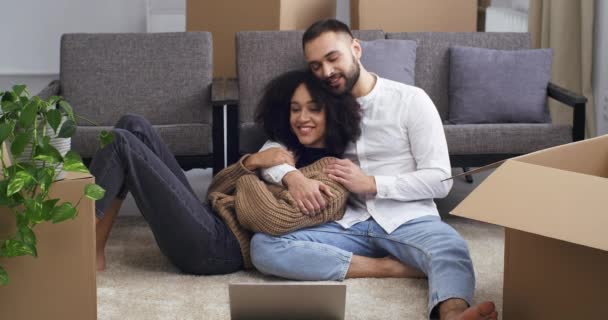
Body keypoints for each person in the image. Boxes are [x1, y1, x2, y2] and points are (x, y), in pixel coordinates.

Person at [249, 19, 498, 320]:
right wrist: (292, 176)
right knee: (264, 246)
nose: (326, 72)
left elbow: (441, 180)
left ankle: (453, 313)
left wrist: (373, 183)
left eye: (333, 58)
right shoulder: (322, 105)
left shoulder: (411, 100)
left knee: (451, 247)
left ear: (356, 48)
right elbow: (273, 149)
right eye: (316, 66)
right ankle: (387, 267)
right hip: (347, 223)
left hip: (409, 218)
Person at [93, 69, 421, 275]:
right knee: (132, 124)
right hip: (206, 220)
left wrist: (260, 171)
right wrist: (254, 163)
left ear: (331, 115)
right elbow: (215, 189)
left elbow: (269, 220)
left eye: (313, 109)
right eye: (295, 109)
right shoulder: (280, 148)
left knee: (123, 143)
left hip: (220, 250)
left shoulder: (333, 172)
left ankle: (77, 248)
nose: (302, 118)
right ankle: (92, 249)